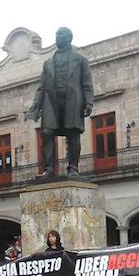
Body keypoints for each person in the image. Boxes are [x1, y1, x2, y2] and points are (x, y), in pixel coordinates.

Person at [25, 27, 94, 178]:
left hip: (72, 102)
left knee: (73, 134)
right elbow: (41, 87)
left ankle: (73, 168)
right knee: (47, 132)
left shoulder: (80, 60)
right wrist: (35, 106)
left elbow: (87, 83)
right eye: (56, 35)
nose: (57, 38)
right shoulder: (48, 63)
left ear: (69, 38)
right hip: (51, 102)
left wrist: (89, 102)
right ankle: (49, 169)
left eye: (60, 35)